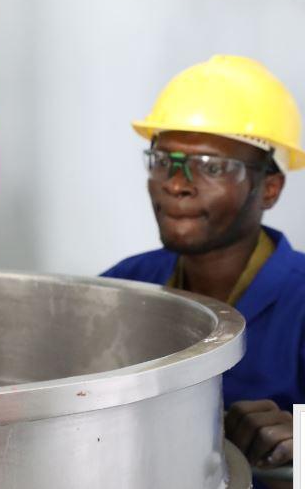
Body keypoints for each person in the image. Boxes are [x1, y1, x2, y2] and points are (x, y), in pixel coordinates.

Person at [102, 55, 303, 487]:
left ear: (269, 189)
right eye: (163, 160)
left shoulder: (299, 301)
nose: (176, 183)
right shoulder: (125, 286)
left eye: (212, 167)